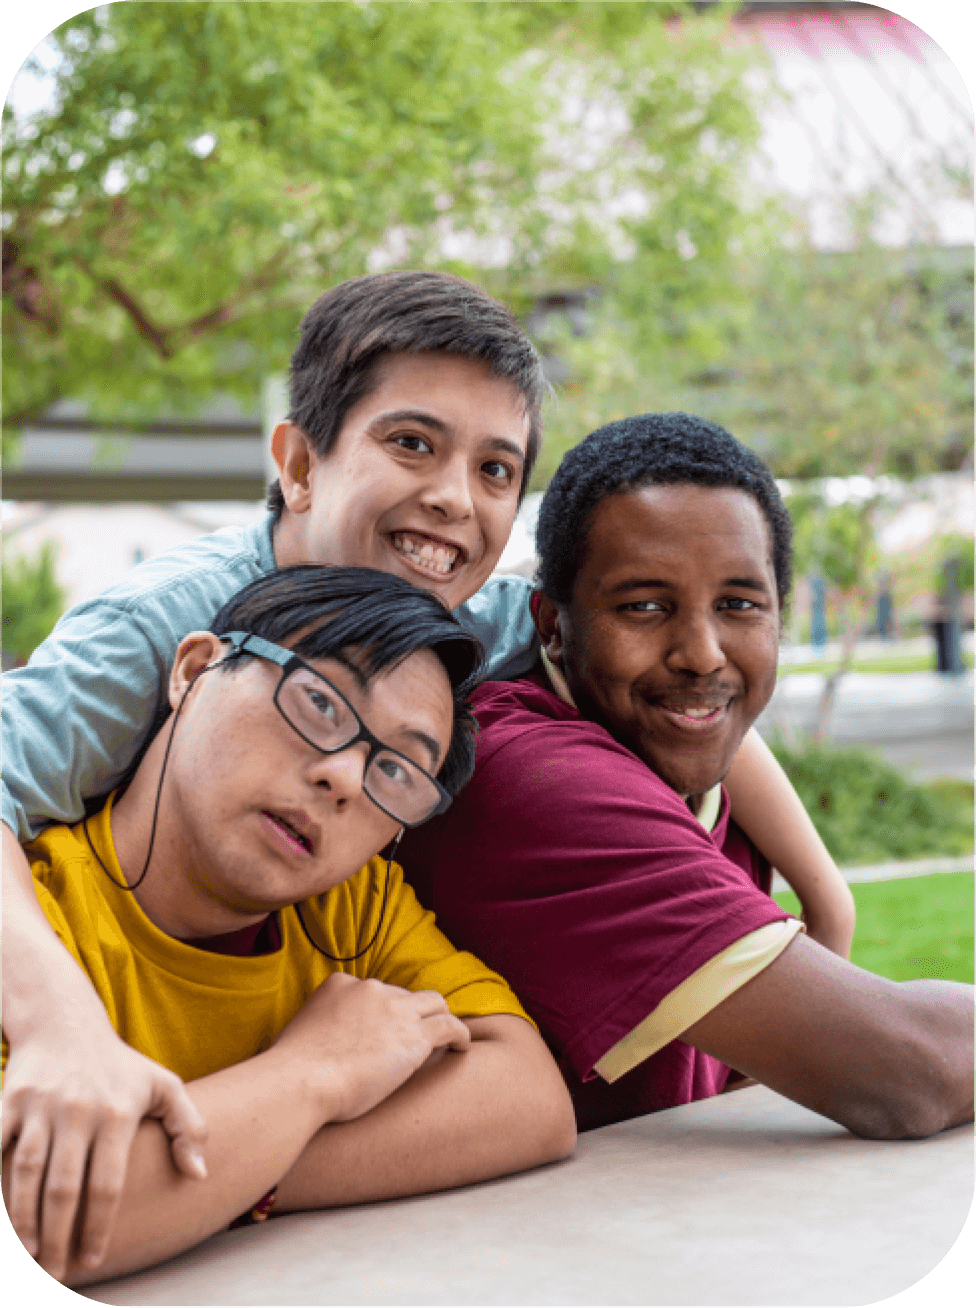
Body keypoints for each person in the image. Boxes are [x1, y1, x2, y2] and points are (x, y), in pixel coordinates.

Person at [1, 271, 853, 1273]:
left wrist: (824, 897)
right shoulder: (154, 627)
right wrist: (60, 1027)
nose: (454, 497)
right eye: (412, 444)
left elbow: (689, 672)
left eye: (496, 471)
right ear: (301, 463)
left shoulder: (474, 616)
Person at [398, 413, 974, 1136]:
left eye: (739, 605)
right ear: (550, 624)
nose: (702, 653)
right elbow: (909, 1070)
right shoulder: (528, 779)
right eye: (644, 606)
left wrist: (830, 904)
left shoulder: (679, 754)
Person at [1, 567, 577, 1287]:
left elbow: (529, 1097)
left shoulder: (350, 912)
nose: (342, 776)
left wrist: (230, 1166)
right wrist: (314, 1075)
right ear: (195, 669)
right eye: (318, 702)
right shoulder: (28, 930)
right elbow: (38, 1224)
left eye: (396, 771)